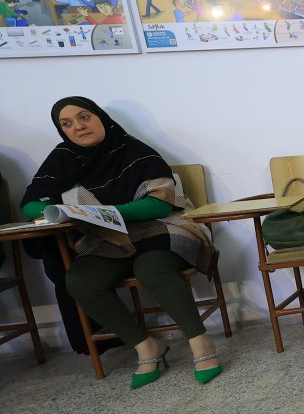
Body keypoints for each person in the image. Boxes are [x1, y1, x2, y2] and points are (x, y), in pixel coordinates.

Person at [21, 97, 222, 387]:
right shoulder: (61, 159)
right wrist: (62, 213)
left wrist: (105, 213)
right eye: (67, 124)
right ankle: (146, 346)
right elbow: (29, 204)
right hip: (104, 238)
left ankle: (200, 343)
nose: (78, 127)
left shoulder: (135, 151)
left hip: (159, 229)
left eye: (84, 117)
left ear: (100, 117)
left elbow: (159, 204)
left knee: (151, 269)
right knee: (79, 281)